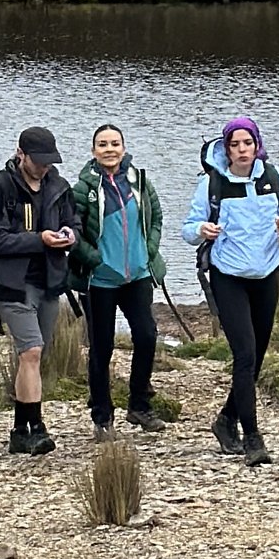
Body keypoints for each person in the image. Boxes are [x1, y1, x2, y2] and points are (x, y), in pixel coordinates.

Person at [183, 113, 279, 464]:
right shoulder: (211, 185)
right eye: (234, 145)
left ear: (256, 145)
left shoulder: (273, 177)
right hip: (228, 277)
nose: (241, 150)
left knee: (258, 358)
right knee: (245, 355)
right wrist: (202, 230)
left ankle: (225, 420)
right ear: (226, 148)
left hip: (266, 275)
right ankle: (252, 440)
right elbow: (188, 228)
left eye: (247, 143)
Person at [0, 126, 79, 457]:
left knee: (36, 354)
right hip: (12, 284)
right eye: (39, 161)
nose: (44, 167)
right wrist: (40, 239)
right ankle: (36, 426)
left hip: (49, 282)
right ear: (21, 154)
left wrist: (69, 236)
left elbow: (74, 223)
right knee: (30, 351)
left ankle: (21, 430)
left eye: (50, 161)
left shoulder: (59, 187)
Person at [72, 122, 167, 434]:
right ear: (93, 151)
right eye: (102, 144)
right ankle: (102, 416)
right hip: (100, 281)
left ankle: (139, 405)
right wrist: (93, 258)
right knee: (102, 346)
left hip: (137, 275)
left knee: (146, 336)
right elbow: (72, 230)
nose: (109, 149)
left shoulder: (138, 181)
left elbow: (156, 216)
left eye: (114, 143)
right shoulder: (84, 189)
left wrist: (150, 249)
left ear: (123, 148)